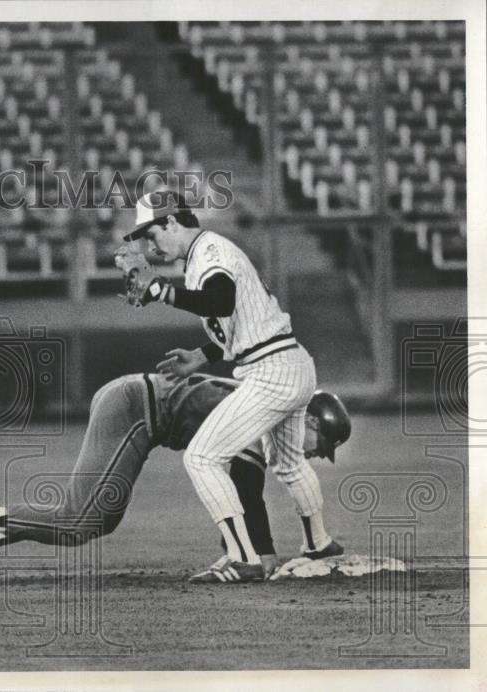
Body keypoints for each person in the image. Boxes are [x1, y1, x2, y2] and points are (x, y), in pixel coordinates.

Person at [0, 372, 351, 583]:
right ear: (308, 418)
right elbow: (246, 491)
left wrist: (251, 551)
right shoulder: (267, 414)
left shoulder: (269, 410)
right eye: (321, 441)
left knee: (96, 521)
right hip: (133, 409)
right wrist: (261, 554)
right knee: (78, 521)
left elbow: (241, 484)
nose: (317, 452)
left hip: (138, 410)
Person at [118, 191, 341, 584]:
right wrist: (201, 357)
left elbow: (220, 299)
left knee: (202, 458)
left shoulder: (209, 253)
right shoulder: (207, 254)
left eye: (152, 235)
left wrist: (160, 291)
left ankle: (243, 557)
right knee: (288, 463)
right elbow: (239, 323)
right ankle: (318, 542)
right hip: (291, 363)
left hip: (271, 373)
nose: (150, 246)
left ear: (171, 222)